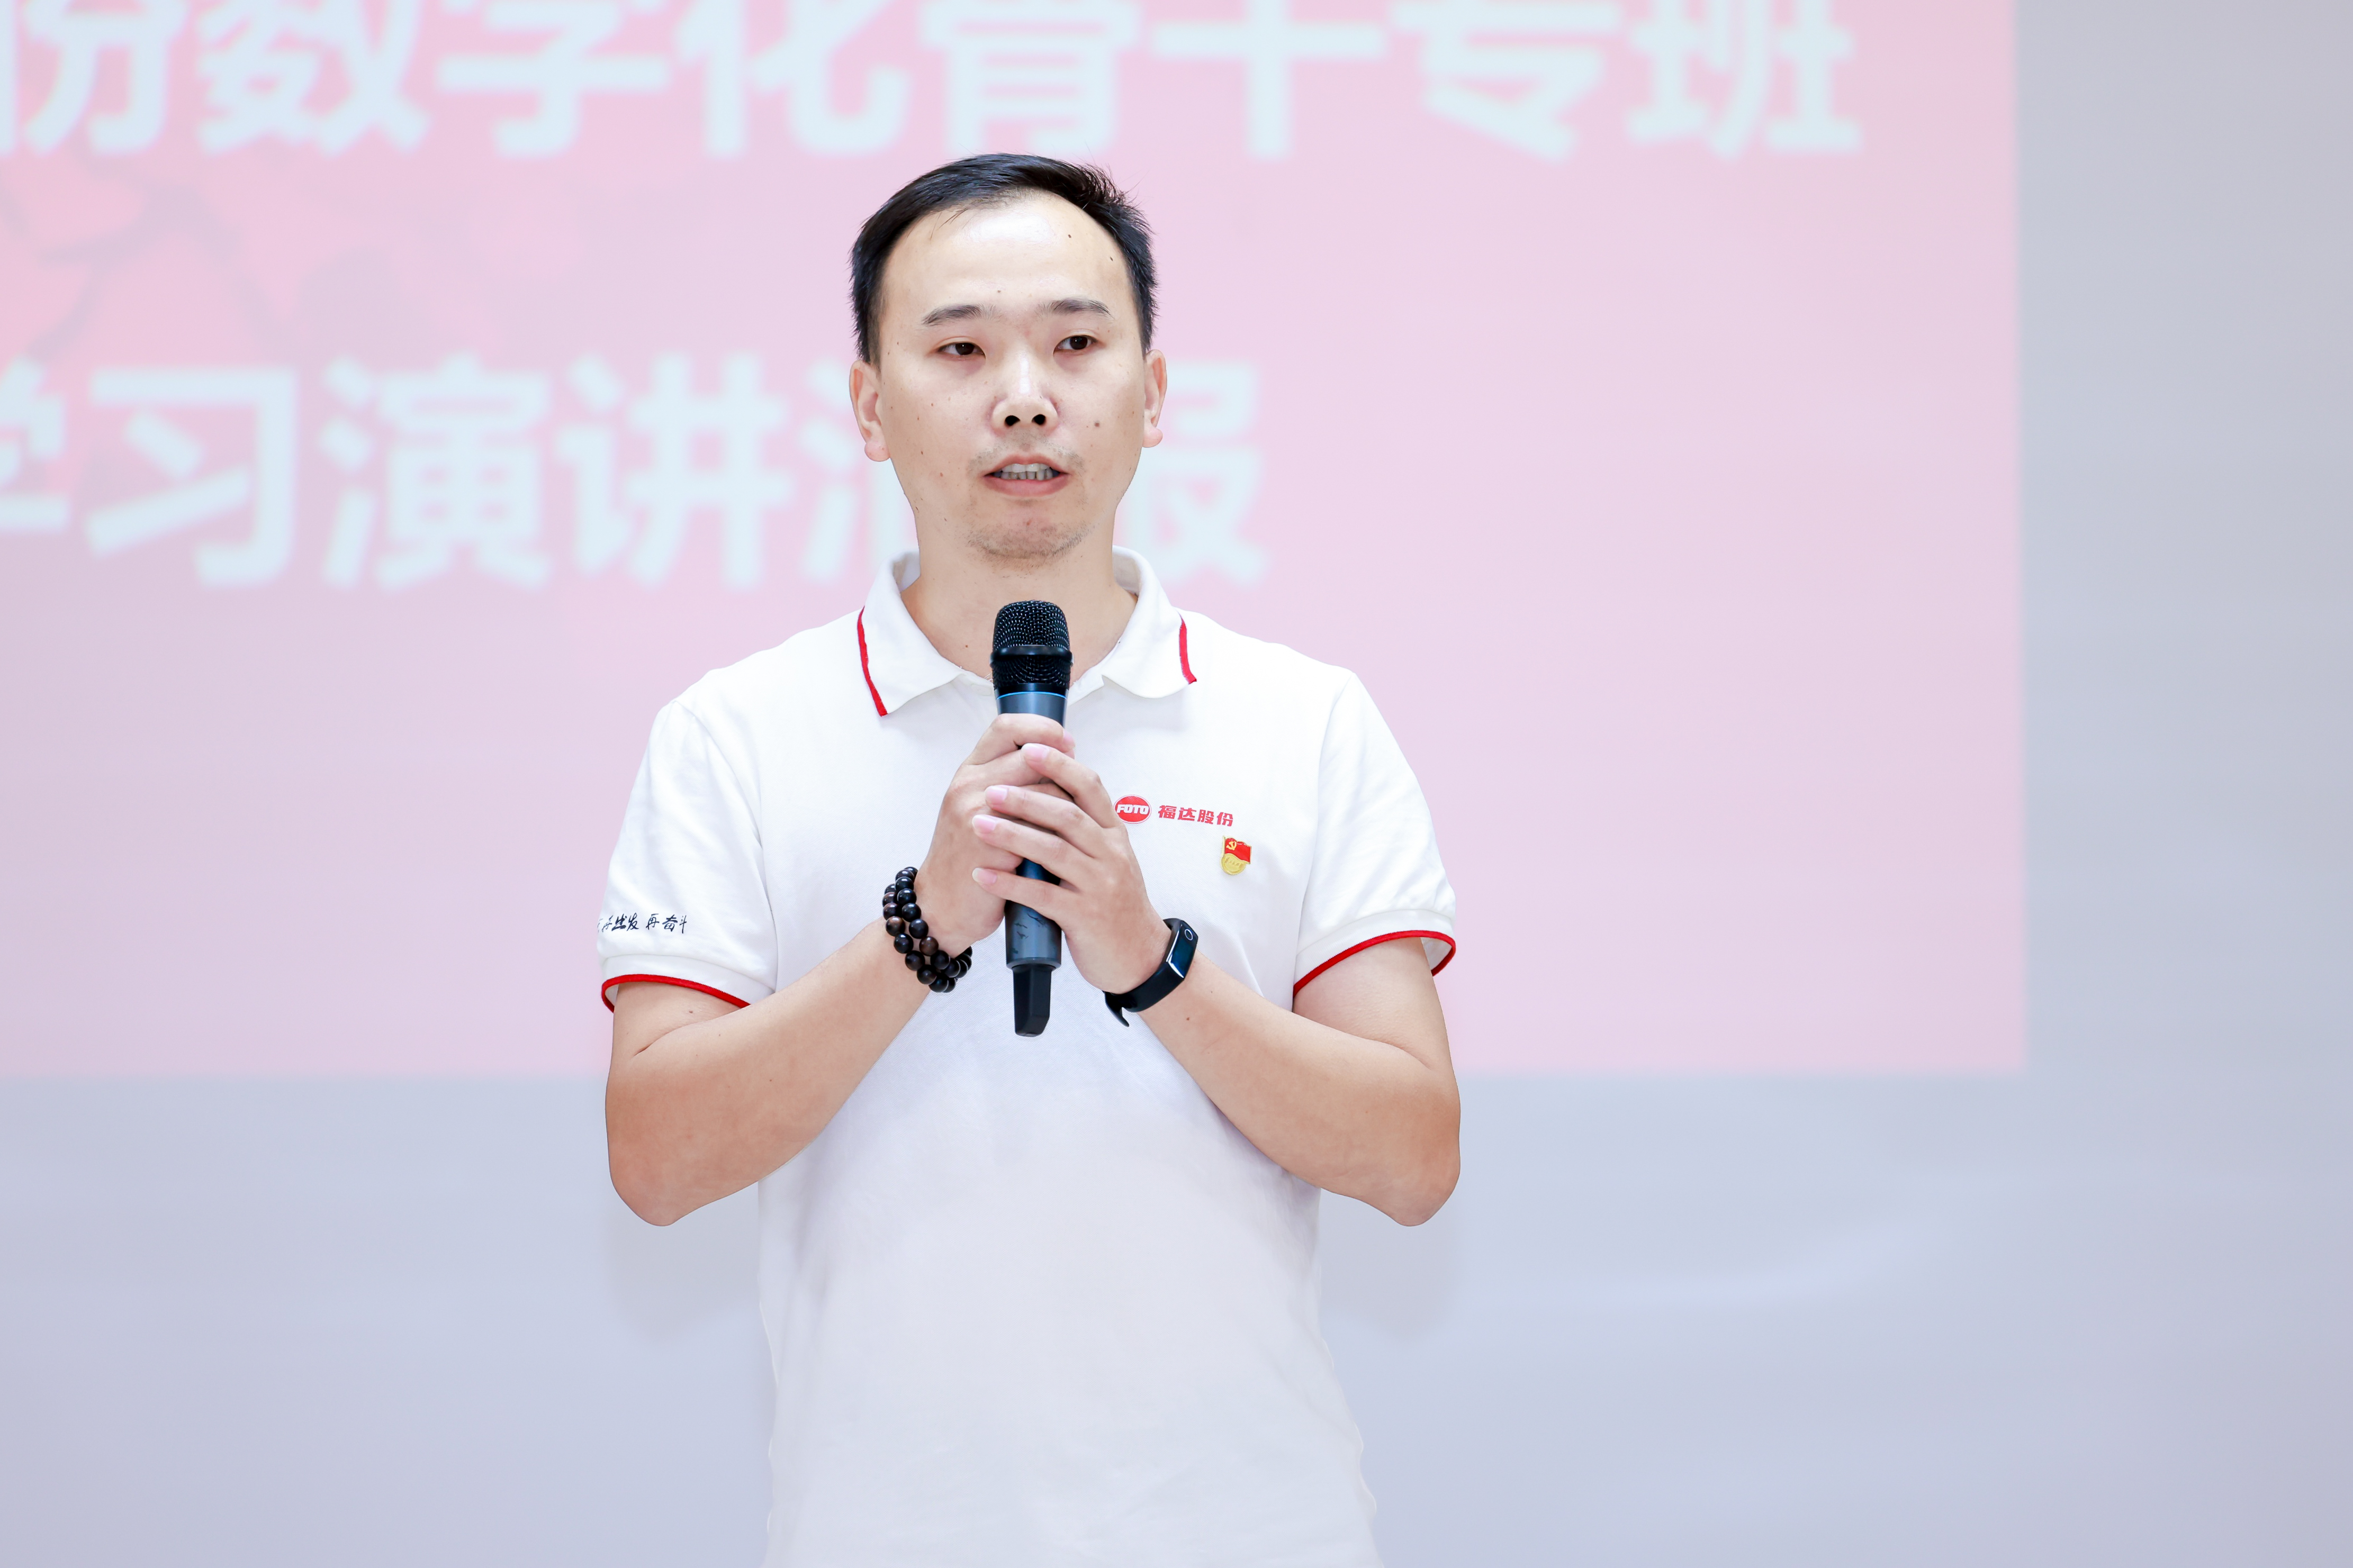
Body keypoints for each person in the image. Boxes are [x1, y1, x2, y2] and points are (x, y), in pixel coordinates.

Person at [599, 155, 1460, 1567]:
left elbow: (1415, 1158)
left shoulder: (1305, 719)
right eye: (960, 349)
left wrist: (1151, 962)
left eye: (1074, 343)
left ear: (1154, 394)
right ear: (868, 406)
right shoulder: (734, 734)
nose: (1023, 396)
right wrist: (925, 923)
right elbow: (657, 1157)